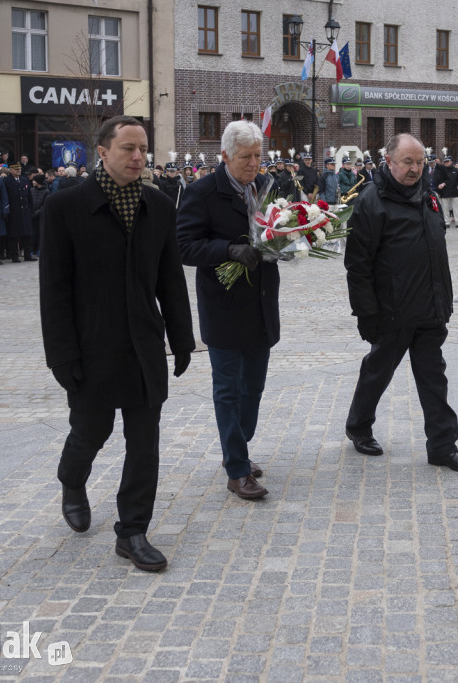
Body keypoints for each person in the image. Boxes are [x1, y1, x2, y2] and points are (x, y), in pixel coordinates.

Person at [40, 115, 195, 572]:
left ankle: (132, 532)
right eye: (128, 148)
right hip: (91, 346)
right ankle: (72, 479)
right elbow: (55, 290)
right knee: (92, 431)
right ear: (102, 153)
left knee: (144, 442)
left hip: (143, 344)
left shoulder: (159, 205)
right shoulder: (64, 208)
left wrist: (181, 338)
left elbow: (170, 279)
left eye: (143, 148)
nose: (138, 157)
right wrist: (61, 355)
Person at [343, 133, 458, 473]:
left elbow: (435, 251)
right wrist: (365, 313)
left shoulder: (428, 195)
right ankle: (359, 427)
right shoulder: (371, 201)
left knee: (434, 377)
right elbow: (357, 265)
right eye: (408, 162)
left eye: (420, 162)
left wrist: (442, 301)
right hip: (392, 312)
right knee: (378, 371)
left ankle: (443, 446)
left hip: (430, 308)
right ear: (388, 161)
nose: (415, 168)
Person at [177, 120, 277, 501]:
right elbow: (185, 246)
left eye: (258, 156)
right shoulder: (202, 192)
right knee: (228, 391)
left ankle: (238, 447)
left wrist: (289, 240)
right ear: (225, 157)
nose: (254, 163)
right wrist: (228, 250)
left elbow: (274, 230)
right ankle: (237, 469)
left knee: (254, 387)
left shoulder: (266, 187)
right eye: (246, 157)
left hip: (262, 305)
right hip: (224, 308)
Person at [4, 162, 35, 262]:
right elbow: (6, 197)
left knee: (27, 234)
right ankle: (14, 255)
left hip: (25, 210)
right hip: (14, 211)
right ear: (11, 170)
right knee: (14, 235)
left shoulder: (24, 179)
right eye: (16, 169)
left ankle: (28, 254)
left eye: (20, 169)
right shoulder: (7, 181)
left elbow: (29, 196)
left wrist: (31, 209)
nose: (19, 171)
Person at [434, 155, 458, 229]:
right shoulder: (441, 171)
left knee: (456, 207)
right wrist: (440, 185)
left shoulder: (456, 170)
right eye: (445, 162)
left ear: (451, 162)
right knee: (445, 208)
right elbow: (438, 180)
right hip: (444, 191)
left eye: (447, 161)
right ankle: (447, 221)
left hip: (454, 191)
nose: (446, 163)